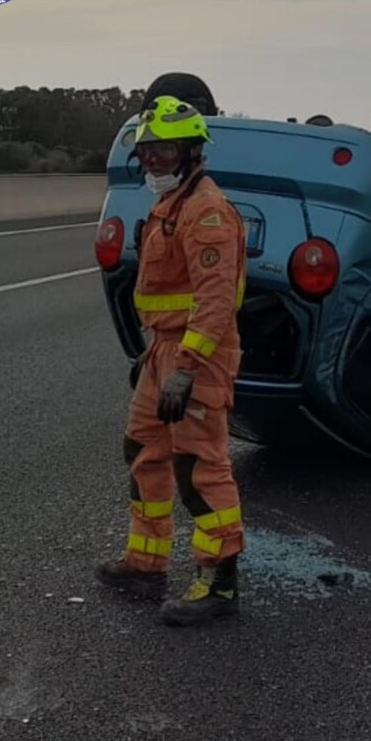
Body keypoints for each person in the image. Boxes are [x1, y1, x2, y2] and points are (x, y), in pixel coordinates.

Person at [95, 95, 248, 626]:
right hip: (165, 349)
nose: (153, 161)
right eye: (147, 152)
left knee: (198, 468)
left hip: (198, 356)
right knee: (143, 452)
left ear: (191, 152)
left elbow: (214, 301)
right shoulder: (173, 204)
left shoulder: (206, 211)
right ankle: (146, 563)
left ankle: (219, 583)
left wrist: (185, 368)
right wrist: (153, 354)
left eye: (164, 151)